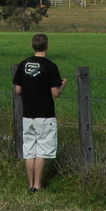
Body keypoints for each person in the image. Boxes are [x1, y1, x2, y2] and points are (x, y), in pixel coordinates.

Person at [12, 33, 67, 192]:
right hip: (45, 114)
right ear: (47, 46)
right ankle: (38, 185)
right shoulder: (50, 66)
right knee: (42, 149)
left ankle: (30, 184)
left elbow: (18, 89)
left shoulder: (23, 65)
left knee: (29, 150)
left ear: (32, 46)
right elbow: (55, 93)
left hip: (28, 114)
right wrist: (63, 85)